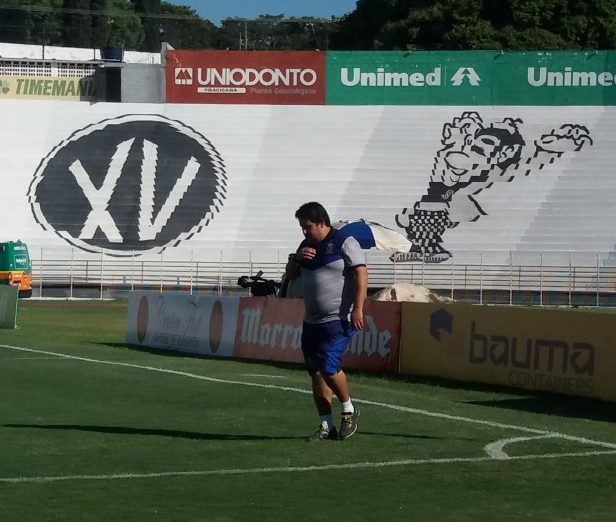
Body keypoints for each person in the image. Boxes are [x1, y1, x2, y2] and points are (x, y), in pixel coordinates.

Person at [285, 202, 367, 441]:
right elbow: (291, 275)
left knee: (328, 367)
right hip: (312, 321)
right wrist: (297, 259)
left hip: (337, 318)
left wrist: (358, 309)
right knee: (317, 372)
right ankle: (325, 425)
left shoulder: (344, 242)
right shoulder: (305, 246)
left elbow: (361, 274)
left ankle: (350, 409)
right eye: (301, 227)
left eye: (307, 226)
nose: (304, 231)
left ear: (322, 222)